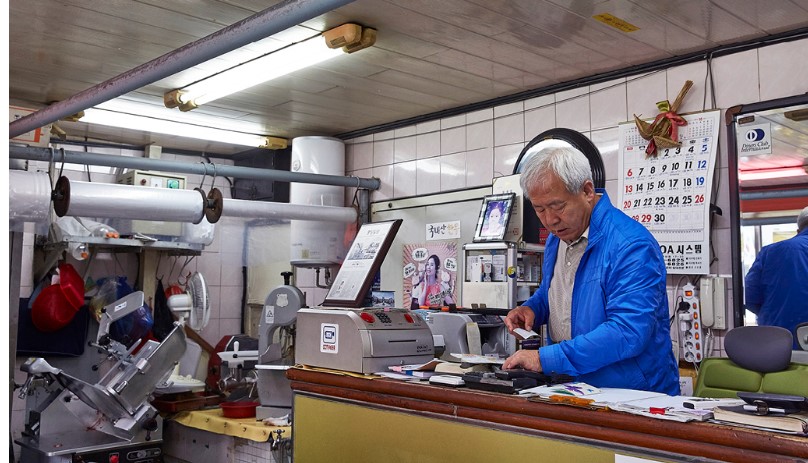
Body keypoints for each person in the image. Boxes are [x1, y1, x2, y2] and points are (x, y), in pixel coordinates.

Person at [502, 146, 679, 395]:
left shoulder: (631, 246)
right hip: (575, 388)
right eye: (540, 209)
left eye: (557, 206)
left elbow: (627, 331)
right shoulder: (557, 237)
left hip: (632, 396)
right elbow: (555, 290)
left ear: (586, 191)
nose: (550, 220)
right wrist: (533, 308)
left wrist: (545, 359)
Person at [744, 207, 808, 349]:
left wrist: (774, 313)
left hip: (778, 343)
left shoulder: (770, 252)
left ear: (798, 231)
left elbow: (748, 296)